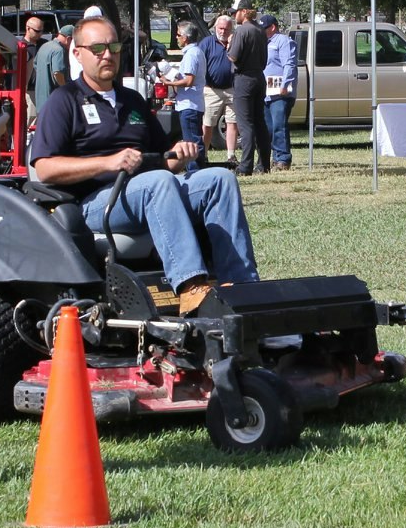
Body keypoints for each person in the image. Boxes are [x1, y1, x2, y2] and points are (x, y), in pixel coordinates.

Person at [32, 16, 258, 314]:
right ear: (77, 53)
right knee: (157, 184)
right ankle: (190, 286)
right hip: (95, 203)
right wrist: (108, 162)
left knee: (219, 179)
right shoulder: (64, 101)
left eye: (113, 46)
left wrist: (178, 155)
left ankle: (242, 287)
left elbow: (163, 161)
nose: (107, 54)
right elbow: (45, 168)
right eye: (97, 48)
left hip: (146, 191)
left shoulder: (133, 100)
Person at [227, 5, 269, 175]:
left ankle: (245, 166)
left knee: (245, 124)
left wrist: (229, 45)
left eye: (235, 12)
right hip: (259, 77)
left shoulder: (241, 31)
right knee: (260, 122)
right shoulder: (260, 30)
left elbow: (233, 56)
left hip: (244, 79)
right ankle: (264, 164)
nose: (233, 16)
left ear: (244, 12)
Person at [262, 13, 297, 171]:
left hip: (280, 93)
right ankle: (272, 158)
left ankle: (282, 159)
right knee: (268, 128)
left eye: (264, 28)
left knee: (279, 125)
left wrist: (285, 84)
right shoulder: (264, 42)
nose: (261, 31)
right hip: (266, 92)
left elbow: (289, 64)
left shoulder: (282, 41)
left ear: (273, 27)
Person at [167, 20, 206, 157]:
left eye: (178, 35)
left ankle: (196, 171)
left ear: (186, 37)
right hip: (193, 104)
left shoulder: (191, 54)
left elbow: (189, 81)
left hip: (190, 105)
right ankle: (198, 169)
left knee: (192, 143)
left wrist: (169, 83)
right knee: (194, 140)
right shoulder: (196, 52)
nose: (176, 38)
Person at [201, 13, 236, 161]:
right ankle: (204, 155)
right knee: (208, 124)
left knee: (232, 123)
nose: (223, 32)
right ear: (216, 28)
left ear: (231, 29)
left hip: (232, 89)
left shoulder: (236, 42)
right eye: (220, 28)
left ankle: (231, 156)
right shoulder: (207, 42)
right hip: (211, 90)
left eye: (226, 29)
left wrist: (231, 45)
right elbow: (199, 62)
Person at [33, 22, 72, 117]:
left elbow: (35, 64)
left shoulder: (44, 46)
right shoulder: (59, 50)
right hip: (53, 102)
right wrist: (66, 90)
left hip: (40, 101)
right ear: (68, 39)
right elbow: (57, 73)